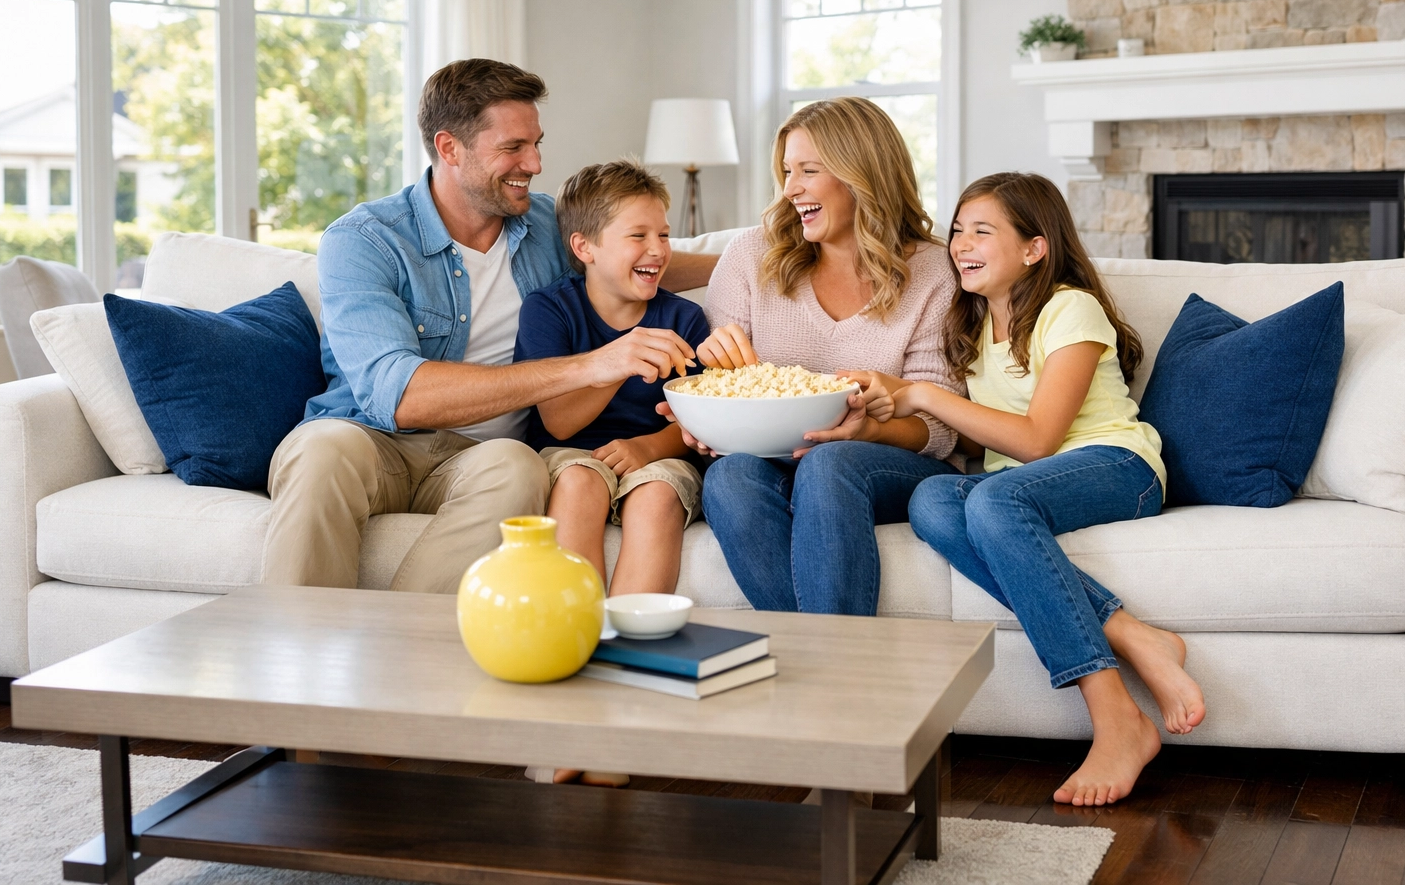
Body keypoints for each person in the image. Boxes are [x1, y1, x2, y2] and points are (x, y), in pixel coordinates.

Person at [262, 59, 714, 594]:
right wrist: (591, 366)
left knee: (518, 466)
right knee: (321, 451)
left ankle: (411, 650)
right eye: (513, 148)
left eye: (537, 143)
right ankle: (296, 653)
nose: (536, 163)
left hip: (482, 458)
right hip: (370, 440)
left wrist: (756, 261)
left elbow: (630, 260)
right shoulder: (366, 240)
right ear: (449, 147)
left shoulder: (545, 225)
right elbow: (399, 394)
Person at [898, 172, 1206, 807]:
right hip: (1017, 487)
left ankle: (1114, 714)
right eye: (957, 230)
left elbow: (1038, 440)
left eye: (982, 231)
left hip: (1119, 467)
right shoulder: (973, 323)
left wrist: (925, 396)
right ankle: (1130, 633)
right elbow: (983, 450)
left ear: (1034, 248)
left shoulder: (1071, 307)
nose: (960, 244)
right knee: (931, 499)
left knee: (993, 499)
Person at [668, 96, 965, 616]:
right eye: (786, 171)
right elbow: (715, 385)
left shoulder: (935, 272)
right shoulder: (751, 256)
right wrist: (706, 410)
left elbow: (938, 428)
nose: (791, 189)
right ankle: (832, 677)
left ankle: (828, 675)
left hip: (883, 463)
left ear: (862, 174)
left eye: (809, 170)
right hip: (768, 459)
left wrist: (870, 430)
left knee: (828, 465)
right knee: (730, 476)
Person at [515, 160, 709, 597]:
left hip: (658, 456)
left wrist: (649, 447)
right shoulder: (548, 310)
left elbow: (700, 420)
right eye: (638, 236)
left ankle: (631, 641)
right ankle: (573, 626)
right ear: (585, 247)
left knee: (658, 494)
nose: (657, 250)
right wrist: (616, 361)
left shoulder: (685, 318)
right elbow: (559, 424)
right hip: (568, 454)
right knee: (580, 481)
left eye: (663, 234)